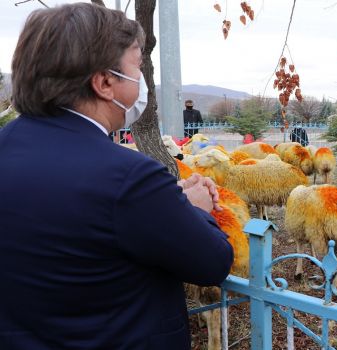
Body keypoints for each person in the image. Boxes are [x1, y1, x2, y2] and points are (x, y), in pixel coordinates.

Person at [0, 4, 233, 349]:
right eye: (137, 67)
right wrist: (194, 209)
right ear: (105, 82)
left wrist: (165, 204)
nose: (142, 81)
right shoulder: (126, 177)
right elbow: (212, 262)